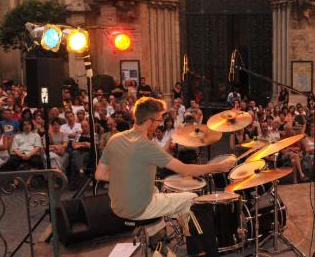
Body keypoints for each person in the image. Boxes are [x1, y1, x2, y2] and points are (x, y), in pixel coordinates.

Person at [94, 97, 234, 236]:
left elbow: (99, 174)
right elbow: (185, 170)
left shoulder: (115, 139)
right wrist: (218, 167)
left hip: (117, 206)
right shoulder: (147, 146)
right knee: (191, 198)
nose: (159, 123)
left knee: (155, 189)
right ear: (149, 122)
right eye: (158, 120)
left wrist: (128, 177)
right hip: (138, 209)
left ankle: (157, 241)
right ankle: (197, 250)